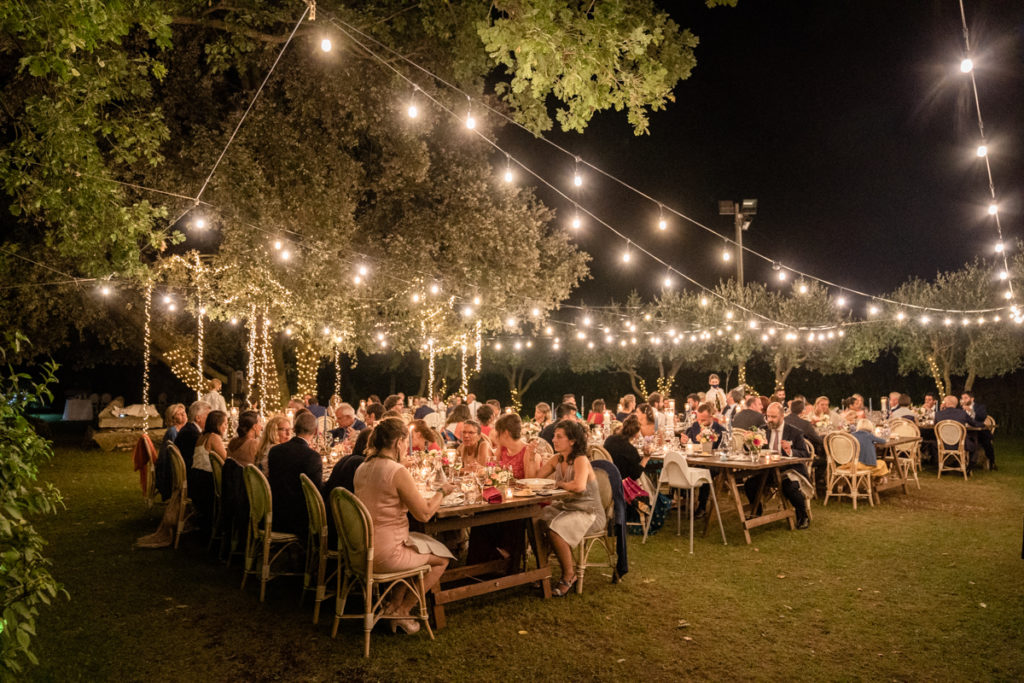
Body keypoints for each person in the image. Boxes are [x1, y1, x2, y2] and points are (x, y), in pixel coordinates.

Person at [353, 418, 454, 634]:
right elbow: (425, 514)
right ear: (399, 442)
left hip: (359, 549)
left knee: (416, 544)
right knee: (442, 559)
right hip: (386, 554)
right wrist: (443, 492)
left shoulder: (362, 467)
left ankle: (393, 606)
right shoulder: (396, 471)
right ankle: (403, 611)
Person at [536, 420, 606, 596]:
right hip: (567, 508)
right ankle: (542, 571)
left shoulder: (580, 460)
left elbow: (579, 487)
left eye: (559, 437)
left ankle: (569, 575)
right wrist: (531, 458)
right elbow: (536, 479)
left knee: (555, 530)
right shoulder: (557, 459)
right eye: (554, 436)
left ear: (572, 441)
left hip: (589, 512)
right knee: (536, 520)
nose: (554, 440)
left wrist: (558, 483)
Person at [744, 402, 812, 529]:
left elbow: (805, 454)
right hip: (767, 471)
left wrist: (790, 451)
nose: (770, 420)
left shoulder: (794, 432)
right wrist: (749, 441)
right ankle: (756, 512)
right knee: (749, 484)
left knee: (790, 487)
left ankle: (803, 516)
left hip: (789, 470)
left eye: (773, 417)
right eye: (768, 416)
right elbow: (749, 449)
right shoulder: (763, 429)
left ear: (782, 416)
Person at [267, 411, 323, 536]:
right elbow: (316, 492)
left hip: (274, 513)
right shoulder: (312, 457)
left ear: (294, 429)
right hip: (298, 520)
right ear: (315, 432)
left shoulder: (275, 451)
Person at [682, 403, 727, 516]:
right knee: (682, 467)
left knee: (706, 472)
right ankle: (685, 500)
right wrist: (684, 441)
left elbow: (723, 449)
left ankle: (702, 506)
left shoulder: (720, 430)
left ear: (711, 417)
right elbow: (688, 443)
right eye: (698, 419)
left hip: (713, 463)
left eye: (703, 420)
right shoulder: (694, 426)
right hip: (696, 460)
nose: (700, 422)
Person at [191, 409, 228, 525]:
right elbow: (227, 460)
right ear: (218, 425)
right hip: (206, 483)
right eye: (225, 424)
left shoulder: (202, 436)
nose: (226, 427)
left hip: (195, 478)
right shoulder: (214, 437)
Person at [934, 395, 985, 473]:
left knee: (933, 444)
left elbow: (936, 427)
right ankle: (969, 467)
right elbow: (974, 424)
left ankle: (940, 466)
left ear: (946, 403)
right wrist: (983, 424)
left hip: (943, 443)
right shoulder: (962, 413)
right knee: (975, 445)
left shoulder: (938, 414)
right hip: (960, 444)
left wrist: (941, 410)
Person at [493, 413, 539, 479]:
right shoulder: (502, 447)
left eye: (497, 432)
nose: (495, 436)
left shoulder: (528, 451)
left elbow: (530, 482)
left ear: (506, 433)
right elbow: (492, 472)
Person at [960, 391, 996, 469]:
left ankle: (991, 461)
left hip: (979, 432)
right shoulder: (960, 408)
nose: (963, 400)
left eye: (965, 398)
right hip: (966, 432)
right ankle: (960, 462)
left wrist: (971, 411)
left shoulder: (980, 407)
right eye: (962, 398)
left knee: (986, 442)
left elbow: (982, 417)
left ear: (972, 399)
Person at [174, 400, 212, 471]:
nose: (211, 420)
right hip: (191, 474)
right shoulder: (191, 433)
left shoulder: (189, 428)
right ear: (198, 418)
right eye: (208, 416)